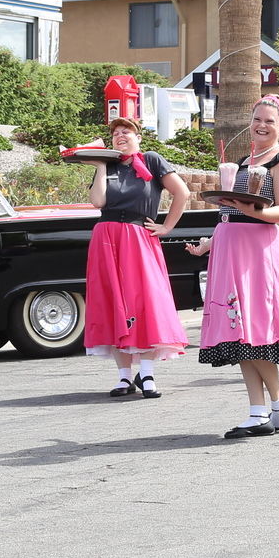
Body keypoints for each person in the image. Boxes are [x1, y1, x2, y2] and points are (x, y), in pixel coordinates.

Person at [186, 94, 279, 437]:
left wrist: (253, 211)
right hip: (229, 249)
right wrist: (208, 244)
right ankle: (257, 411)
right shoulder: (241, 162)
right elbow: (230, 212)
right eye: (257, 119)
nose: (262, 126)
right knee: (237, 328)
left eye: (270, 120)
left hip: (258, 251)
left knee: (255, 331)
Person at [85, 117, 191, 397]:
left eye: (126, 132)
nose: (120, 136)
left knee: (143, 301)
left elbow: (182, 192)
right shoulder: (106, 165)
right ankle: (123, 377)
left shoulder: (152, 160)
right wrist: (98, 165)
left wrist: (167, 226)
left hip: (137, 236)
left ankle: (147, 374)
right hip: (106, 238)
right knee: (113, 301)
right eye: (116, 133)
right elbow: (97, 202)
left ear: (138, 137)